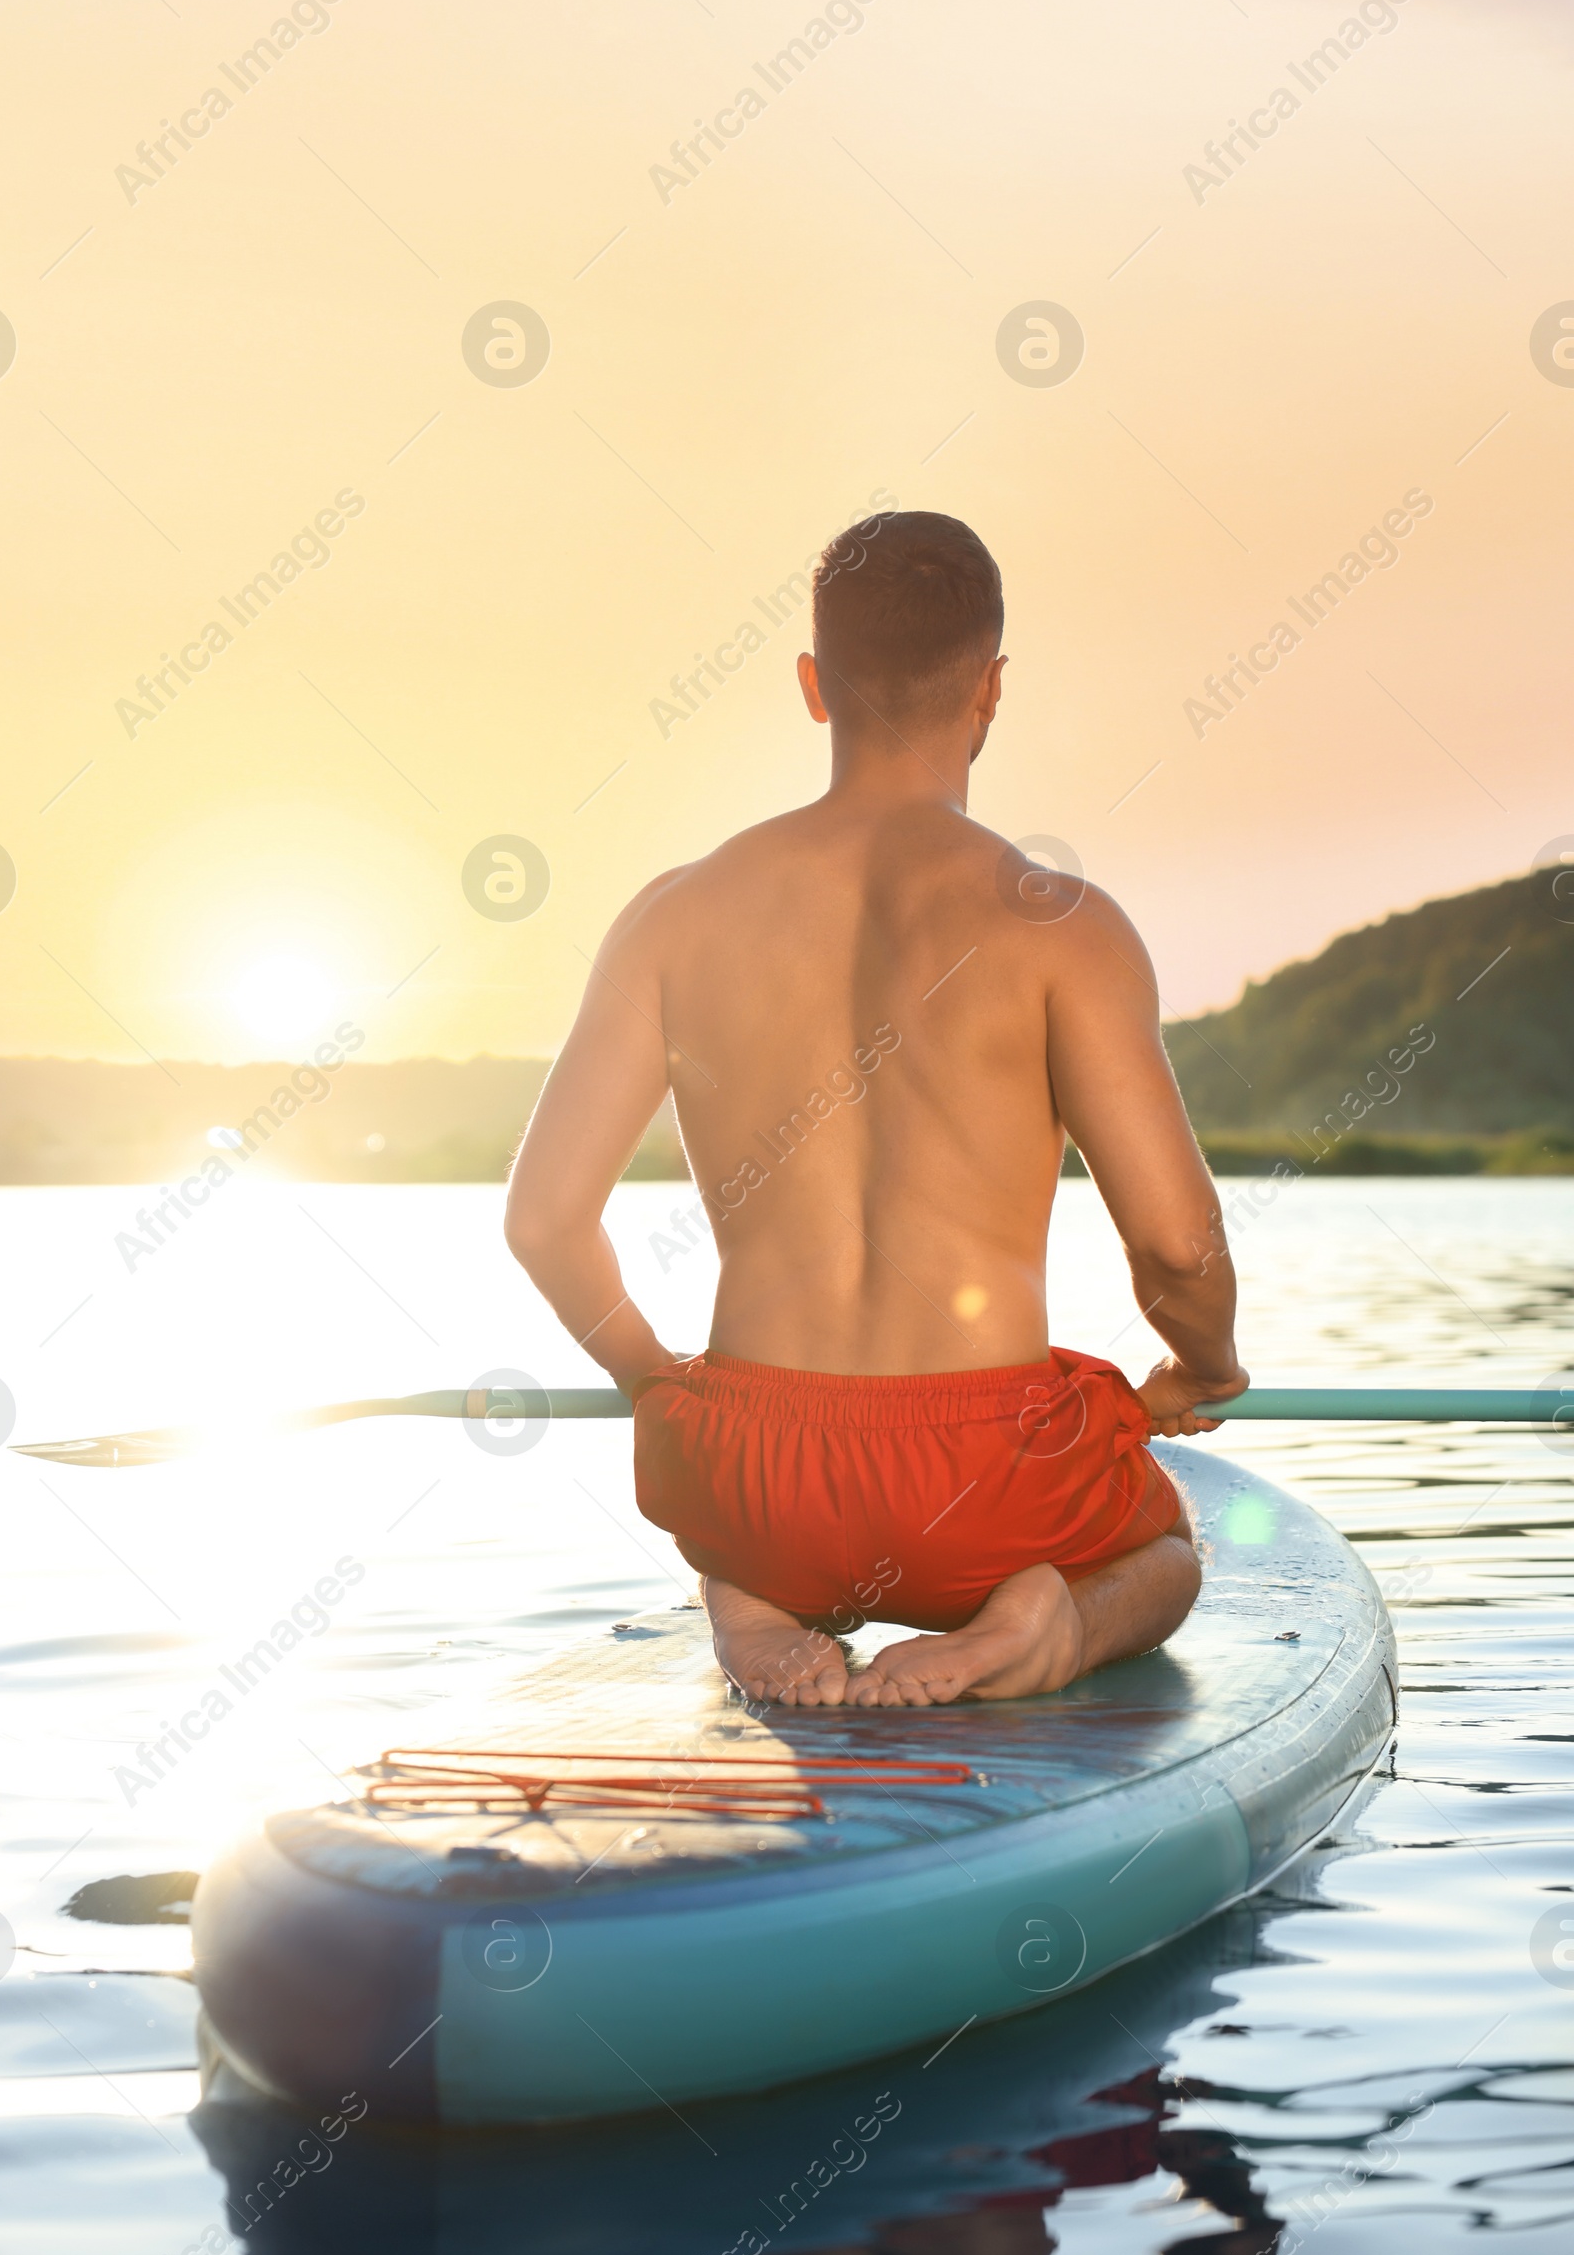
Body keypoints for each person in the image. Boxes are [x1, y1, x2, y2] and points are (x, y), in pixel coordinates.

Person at [506, 510, 1247, 1709]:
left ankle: (747, 1603)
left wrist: (657, 1386)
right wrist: (1198, 1366)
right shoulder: (1061, 922)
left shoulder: (673, 914)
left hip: (749, 1469)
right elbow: (1174, 1242)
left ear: (814, 686)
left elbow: (544, 1221)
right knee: (1164, 1556)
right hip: (982, 1478)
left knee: (734, 1525)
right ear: (991, 690)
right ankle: (1036, 1628)